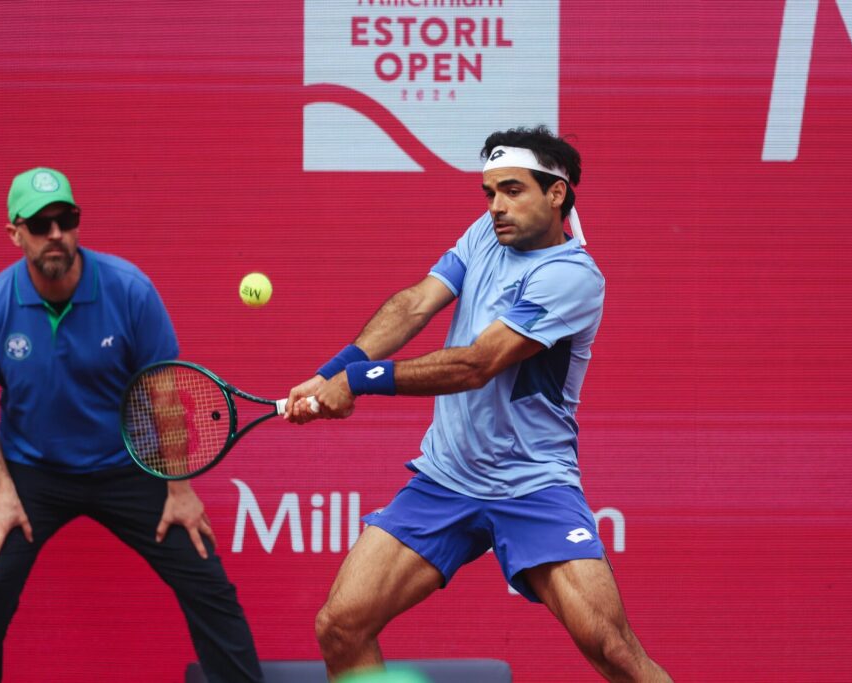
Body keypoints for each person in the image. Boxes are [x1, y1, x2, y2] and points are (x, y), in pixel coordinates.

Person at [286, 127, 673, 682]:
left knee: (613, 650)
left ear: (556, 194)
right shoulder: (487, 235)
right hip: (446, 479)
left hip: (533, 484)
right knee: (341, 626)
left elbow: (477, 364)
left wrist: (358, 380)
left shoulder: (573, 277)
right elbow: (415, 305)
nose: (496, 207)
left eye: (512, 190)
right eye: (490, 192)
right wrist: (329, 374)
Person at [0, 167, 263, 683]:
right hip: (31, 473)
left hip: (128, 463)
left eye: (66, 219)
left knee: (206, 579)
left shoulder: (129, 290)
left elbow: (163, 391)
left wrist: (179, 487)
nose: (56, 234)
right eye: (40, 224)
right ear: (15, 234)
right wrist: (1, 489)